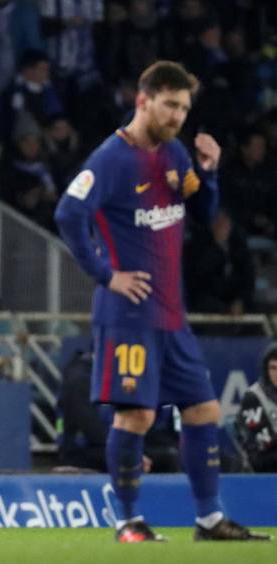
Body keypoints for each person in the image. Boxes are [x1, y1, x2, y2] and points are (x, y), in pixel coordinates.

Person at [54, 60, 271, 543]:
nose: (177, 116)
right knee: (137, 415)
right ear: (143, 100)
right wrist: (107, 275)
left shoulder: (175, 153)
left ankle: (209, 520)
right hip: (128, 315)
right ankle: (128, 522)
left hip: (172, 314)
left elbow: (202, 211)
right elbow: (68, 213)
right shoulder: (111, 159)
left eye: (184, 108)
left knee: (204, 411)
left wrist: (208, 172)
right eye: (170, 105)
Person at [236, 346, 277, 472]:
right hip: (264, 460)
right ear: (266, 370)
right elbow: (265, 443)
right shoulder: (253, 398)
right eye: (273, 368)